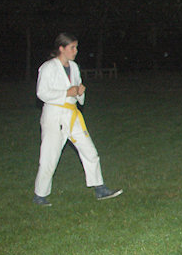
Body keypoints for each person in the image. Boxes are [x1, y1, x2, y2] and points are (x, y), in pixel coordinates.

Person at [33, 33, 122, 206]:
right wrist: (66, 93)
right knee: (49, 157)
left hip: (72, 116)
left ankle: (100, 188)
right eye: (72, 47)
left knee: (90, 151)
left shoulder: (74, 67)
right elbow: (41, 93)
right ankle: (40, 195)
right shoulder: (48, 67)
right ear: (61, 48)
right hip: (54, 117)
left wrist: (80, 93)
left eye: (76, 47)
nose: (75, 51)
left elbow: (77, 91)